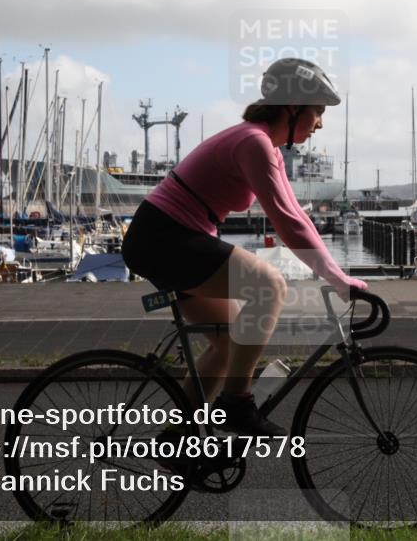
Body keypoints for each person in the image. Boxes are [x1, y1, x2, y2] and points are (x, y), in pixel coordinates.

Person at [121, 57, 368, 437]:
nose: (320, 123)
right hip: (166, 236)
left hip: (167, 237)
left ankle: (177, 439)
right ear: (292, 107)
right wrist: (335, 277)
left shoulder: (262, 144)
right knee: (269, 286)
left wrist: (335, 272)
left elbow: (296, 218)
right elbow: (285, 223)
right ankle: (237, 405)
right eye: (317, 111)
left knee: (228, 345)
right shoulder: (253, 142)